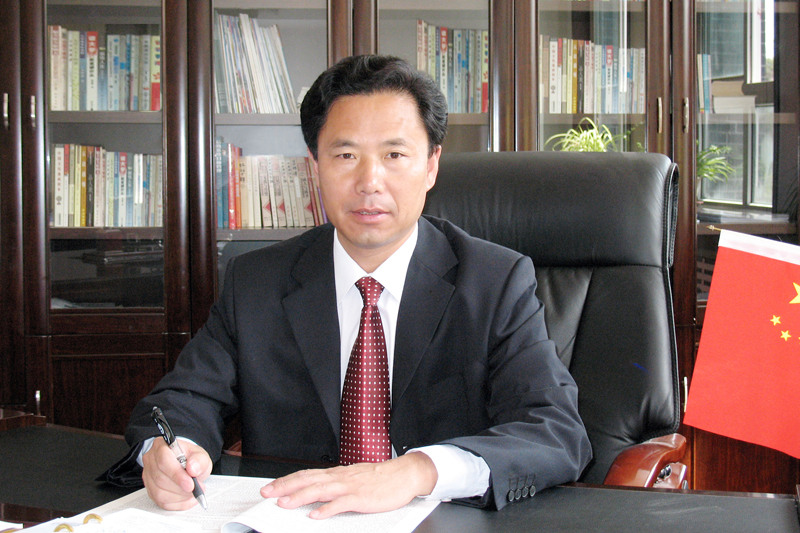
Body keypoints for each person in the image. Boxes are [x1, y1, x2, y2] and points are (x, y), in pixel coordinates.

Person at [113, 54, 591, 518]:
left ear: (431, 165)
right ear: (315, 165)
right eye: (345, 155)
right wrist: (170, 452)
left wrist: (417, 471)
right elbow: (182, 401)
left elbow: (555, 431)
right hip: (293, 521)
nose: (369, 181)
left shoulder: (494, 281)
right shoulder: (257, 282)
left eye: (394, 155)